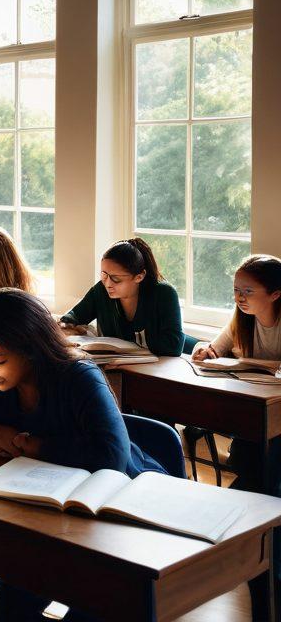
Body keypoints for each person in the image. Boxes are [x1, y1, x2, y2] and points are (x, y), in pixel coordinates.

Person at [0, 288, 165, 621]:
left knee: (91, 606)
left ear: (30, 349)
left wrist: (30, 445)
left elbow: (112, 457)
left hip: (118, 509)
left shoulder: (79, 376)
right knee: (12, 607)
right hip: (43, 510)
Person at [190, 254, 281, 620]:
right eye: (236, 290)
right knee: (250, 455)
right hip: (256, 412)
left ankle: (255, 523)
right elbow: (216, 348)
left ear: (275, 294)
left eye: (248, 291)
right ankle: (254, 529)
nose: (239, 298)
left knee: (260, 462)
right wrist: (206, 350)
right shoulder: (242, 319)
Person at [60, 237, 184, 356]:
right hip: (121, 363)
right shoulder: (101, 290)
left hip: (170, 359)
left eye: (116, 279)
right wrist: (66, 324)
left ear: (139, 276)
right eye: (104, 275)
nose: (108, 284)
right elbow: (74, 316)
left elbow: (174, 345)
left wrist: (131, 340)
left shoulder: (164, 293)